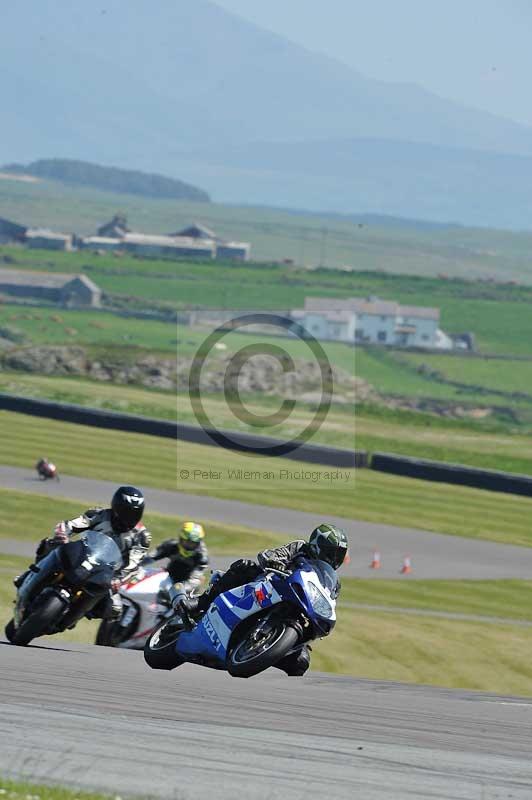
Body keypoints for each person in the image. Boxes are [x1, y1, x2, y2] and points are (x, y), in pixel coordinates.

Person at [174, 522, 349, 676]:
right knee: (244, 567)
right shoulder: (300, 548)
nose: (335, 558)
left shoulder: (333, 582)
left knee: (301, 663)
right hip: (270, 584)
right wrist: (274, 562)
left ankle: (260, 651)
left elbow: (330, 600)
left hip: (297, 607)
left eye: (339, 555)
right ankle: (201, 602)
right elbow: (270, 554)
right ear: (318, 545)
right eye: (332, 552)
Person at [16, 485, 151, 621]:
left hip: (107, 573)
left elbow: (134, 563)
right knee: (50, 544)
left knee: (115, 609)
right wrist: (63, 534)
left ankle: (81, 611)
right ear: (116, 507)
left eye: (135, 513)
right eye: (125, 512)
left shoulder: (141, 536)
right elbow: (73, 524)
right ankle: (29, 575)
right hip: (82, 553)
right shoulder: (99, 514)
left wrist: (119, 578)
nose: (129, 518)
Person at [147, 521, 209, 609]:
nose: (189, 546)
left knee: (179, 609)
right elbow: (150, 557)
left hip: (187, 589)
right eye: (186, 542)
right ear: (180, 539)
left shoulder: (201, 557)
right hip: (169, 578)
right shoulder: (171, 545)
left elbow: (194, 581)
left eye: (193, 543)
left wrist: (174, 591)